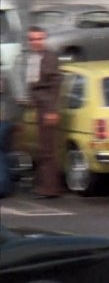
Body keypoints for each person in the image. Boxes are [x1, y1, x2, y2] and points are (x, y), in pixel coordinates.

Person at [25, 26, 64, 197]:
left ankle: (50, 188)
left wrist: (52, 110)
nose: (36, 42)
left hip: (47, 107)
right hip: (37, 106)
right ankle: (41, 183)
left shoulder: (49, 57)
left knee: (47, 149)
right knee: (40, 148)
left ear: (45, 39)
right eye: (33, 39)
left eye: (39, 39)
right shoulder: (31, 58)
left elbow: (54, 86)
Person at [0, 66, 23, 198]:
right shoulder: (8, 72)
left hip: (3, 119)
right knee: (7, 152)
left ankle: (3, 186)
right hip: (8, 119)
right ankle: (8, 182)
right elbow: (17, 97)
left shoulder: (5, 74)